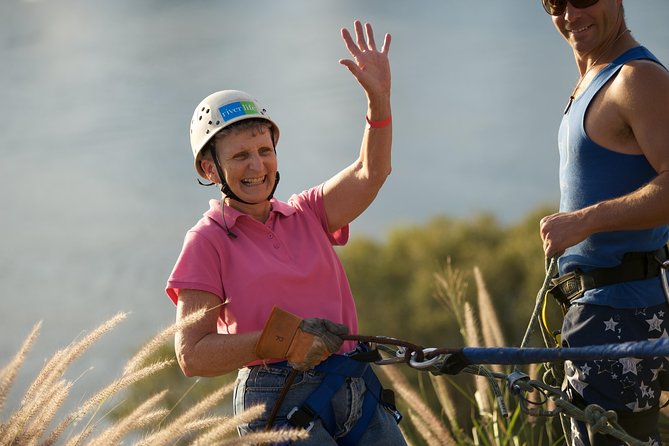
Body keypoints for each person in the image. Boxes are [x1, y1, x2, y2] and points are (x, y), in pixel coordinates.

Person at [165, 20, 406, 445]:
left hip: (352, 382)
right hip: (276, 398)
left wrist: (379, 101)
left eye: (264, 151)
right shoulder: (207, 241)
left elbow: (372, 172)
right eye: (240, 156)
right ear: (209, 168)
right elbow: (192, 355)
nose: (257, 167)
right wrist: (283, 340)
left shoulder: (307, 212)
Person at [538, 1, 669, 445]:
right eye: (555, 2)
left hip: (625, 315)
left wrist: (585, 221)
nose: (571, 12)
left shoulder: (637, 79)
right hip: (594, 314)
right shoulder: (591, 78)